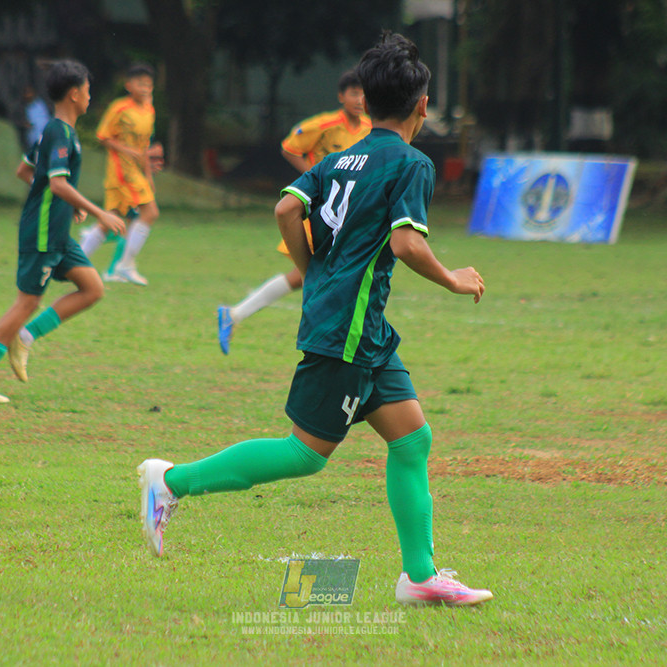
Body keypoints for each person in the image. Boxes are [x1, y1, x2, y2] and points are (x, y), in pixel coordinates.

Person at [138, 33, 492, 606]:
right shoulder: (412, 164)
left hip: (364, 330)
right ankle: (169, 482)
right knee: (305, 454)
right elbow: (405, 244)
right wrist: (453, 277)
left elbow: (285, 208)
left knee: (411, 439)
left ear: (368, 101)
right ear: (422, 105)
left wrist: (312, 269)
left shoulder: (338, 157)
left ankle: (420, 576)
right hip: (346, 331)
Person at [0, 60, 126, 404]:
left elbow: (26, 170)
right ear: (75, 93)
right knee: (29, 301)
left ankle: (27, 337)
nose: (91, 97)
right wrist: (97, 212)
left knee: (92, 288)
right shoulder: (59, 132)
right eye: (89, 91)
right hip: (44, 232)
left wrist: (68, 203)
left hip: (58, 231)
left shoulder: (58, 131)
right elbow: (58, 182)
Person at [217, 70, 371, 354]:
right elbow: (289, 148)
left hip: (350, 214)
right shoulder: (323, 124)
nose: (359, 99)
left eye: (363, 93)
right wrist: (316, 177)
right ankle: (331, 340)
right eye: (353, 93)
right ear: (341, 97)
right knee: (322, 274)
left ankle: (235, 314)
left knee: (309, 275)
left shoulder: (370, 128)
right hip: (323, 214)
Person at [78, 63, 161, 286]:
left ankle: (74, 264)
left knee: (109, 220)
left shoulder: (149, 111)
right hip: (121, 171)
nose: (144, 88)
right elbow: (102, 136)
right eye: (140, 83)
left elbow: (144, 147)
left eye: (148, 84)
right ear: (128, 86)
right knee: (150, 212)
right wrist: (126, 150)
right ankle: (125, 266)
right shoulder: (119, 108)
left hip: (135, 172)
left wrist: (149, 176)